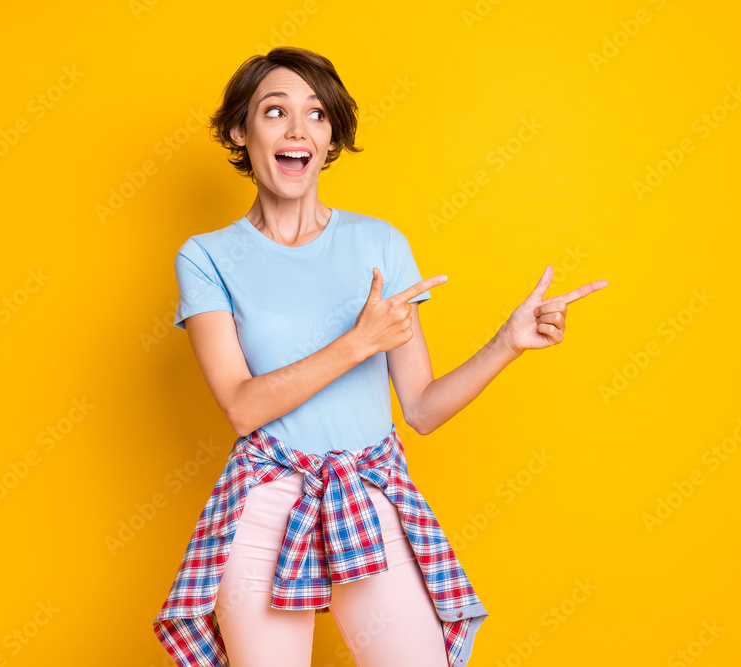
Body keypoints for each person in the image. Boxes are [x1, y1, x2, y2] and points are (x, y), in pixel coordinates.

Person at [152, 46, 609, 667]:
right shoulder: (205, 257)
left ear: (331, 135)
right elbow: (240, 406)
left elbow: (420, 408)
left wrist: (507, 343)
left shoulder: (380, 243)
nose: (296, 130)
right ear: (240, 130)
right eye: (274, 112)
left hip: (369, 499)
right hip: (265, 509)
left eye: (316, 115)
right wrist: (356, 343)